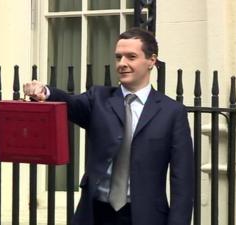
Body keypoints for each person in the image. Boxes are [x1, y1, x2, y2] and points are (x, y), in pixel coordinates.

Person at [23, 27, 194, 225]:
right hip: (95, 214)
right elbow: (69, 103)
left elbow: (182, 181)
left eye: (131, 57)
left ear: (151, 61)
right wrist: (44, 91)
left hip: (144, 216)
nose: (122, 64)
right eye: (118, 57)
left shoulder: (172, 112)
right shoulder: (98, 99)